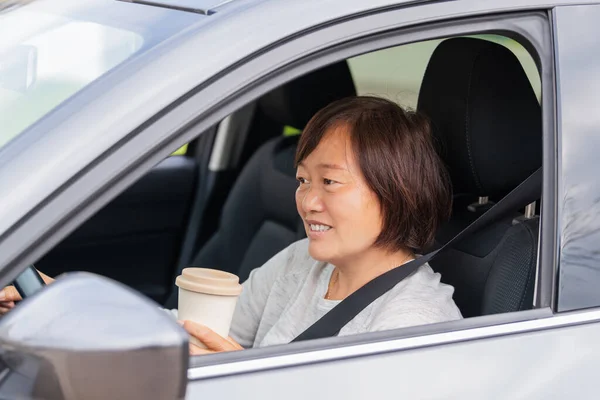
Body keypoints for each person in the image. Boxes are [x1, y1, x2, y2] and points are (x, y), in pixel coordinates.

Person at [0, 96, 463, 354]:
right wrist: (66, 296)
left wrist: (241, 378)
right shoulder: (304, 262)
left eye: (330, 182)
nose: (308, 200)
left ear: (396, 189)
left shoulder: (415, 326)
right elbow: (199, 331)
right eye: (303, 180)